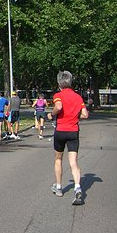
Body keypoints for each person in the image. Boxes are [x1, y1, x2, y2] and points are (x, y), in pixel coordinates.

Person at [47, 71, 89, 205]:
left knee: (58, 159)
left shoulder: (58, 95)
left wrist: (52, 115)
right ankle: (77, 187)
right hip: (73, 132)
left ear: (59, 83)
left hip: (60, 131)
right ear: (71, 82)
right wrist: (75, 117)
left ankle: (59, 187)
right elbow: (85, 114)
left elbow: (58, 107)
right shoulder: (78, 97)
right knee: (73, 162)